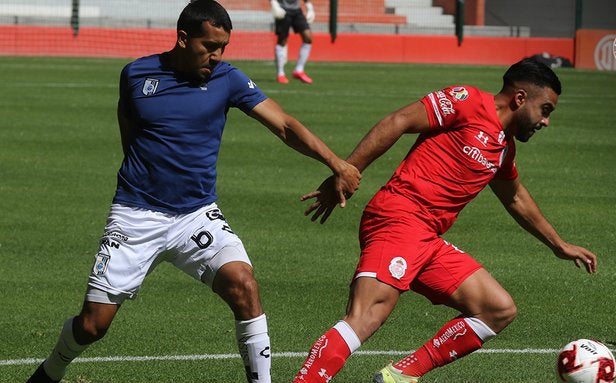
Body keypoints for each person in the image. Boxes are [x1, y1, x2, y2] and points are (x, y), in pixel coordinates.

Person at [26, 1, 360, 382]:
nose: (217, 56)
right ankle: (47, 374)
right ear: (183, 38)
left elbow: (283, 124)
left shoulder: (228, 79)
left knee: (244, 285)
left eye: (223, 47)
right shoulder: (136, 75)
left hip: (195, 215)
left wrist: (337, 163)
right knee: (92, 326)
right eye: (209, 46)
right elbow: (129, 127)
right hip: (136, 216)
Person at [292, 58, 598, 383]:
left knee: (497, 308)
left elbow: (515, 197)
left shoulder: (503, 148)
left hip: (426, 238)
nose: (545, 121)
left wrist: (558, 244)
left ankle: (400, 376)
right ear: (520, 98)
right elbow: (399, 121)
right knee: (366, 316)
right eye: (545, 109)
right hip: (400, 217)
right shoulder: (466, 100)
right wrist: (348, 169)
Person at [270, 0, 315, 84]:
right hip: (282, 9)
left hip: (297, 11)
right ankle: (280, 74)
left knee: (308, 38)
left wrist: (310, 7)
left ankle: (299, 70)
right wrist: (274, 3)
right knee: (282, 40)